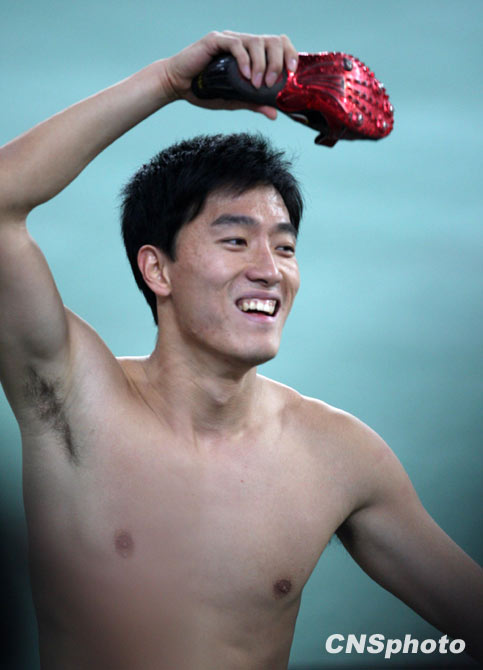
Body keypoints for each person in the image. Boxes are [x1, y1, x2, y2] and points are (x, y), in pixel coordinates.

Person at [0, 30, 481, 670]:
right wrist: (167, 83)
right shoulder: (74, 401)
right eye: (236, 241)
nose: (269, 270)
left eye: (284, 247)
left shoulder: (338, 457)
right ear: (157, 269)